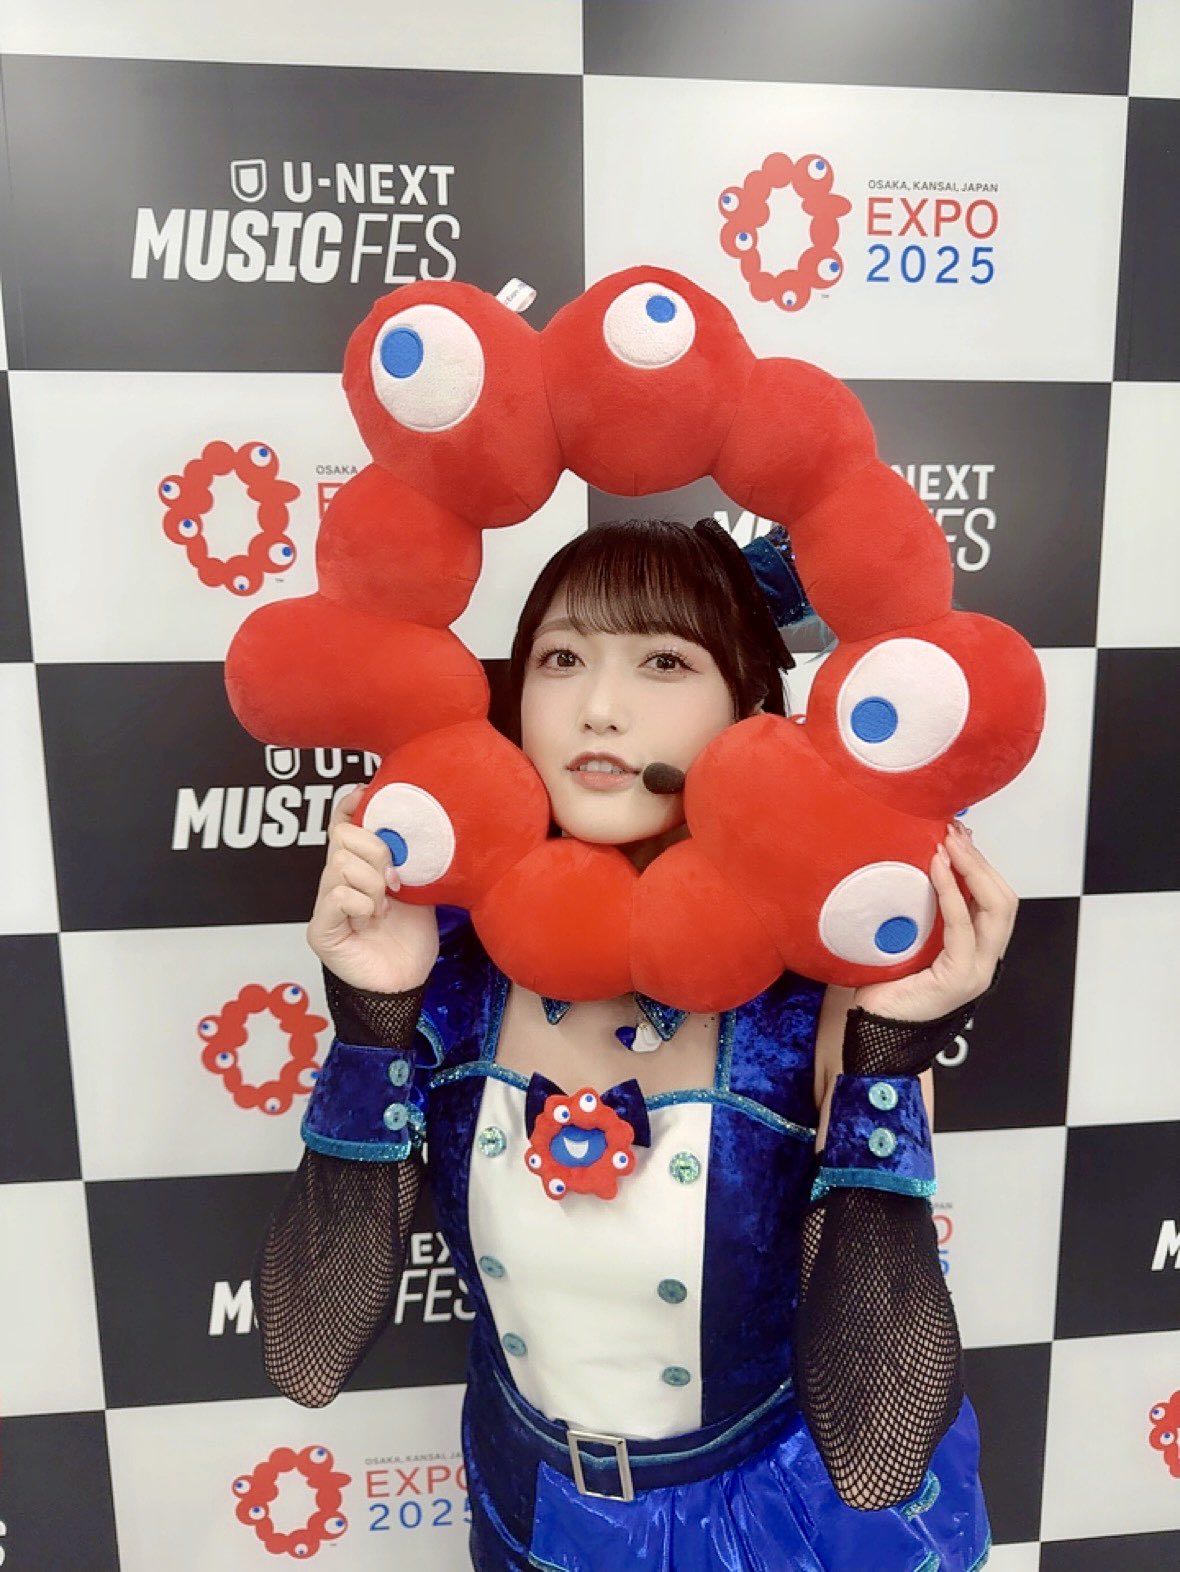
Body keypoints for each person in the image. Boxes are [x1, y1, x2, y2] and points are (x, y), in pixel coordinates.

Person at [253, 517, 1012, 1570]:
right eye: (561, 658)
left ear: (750, 711)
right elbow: (307, 1353)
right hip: (536, 1514)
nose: (598, 708)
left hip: (782, 1530)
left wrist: (889, 1060)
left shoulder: (823, 986)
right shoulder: (448, 955)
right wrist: (373, 1019)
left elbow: (877, 1448)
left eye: (664, 661)